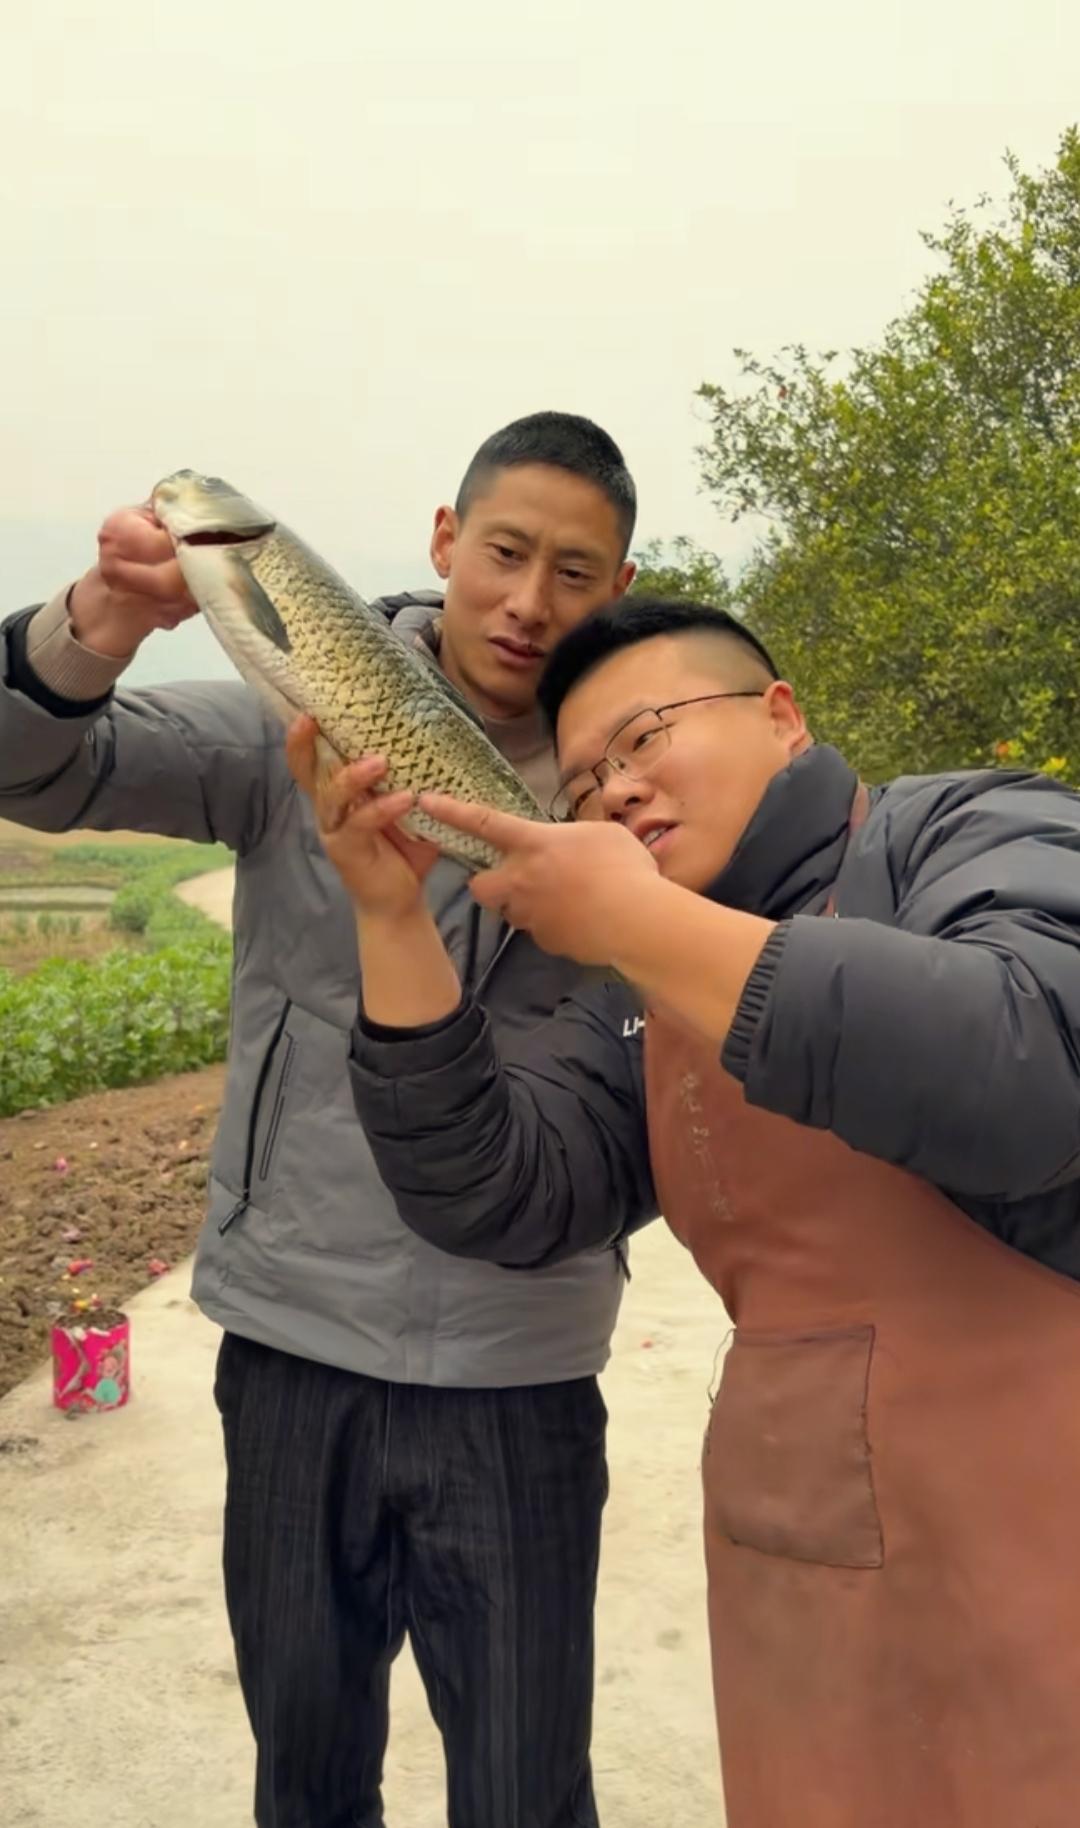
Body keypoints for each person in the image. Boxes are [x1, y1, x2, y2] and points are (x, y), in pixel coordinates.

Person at [313, 595, 1080, 1828]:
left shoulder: (961, 828)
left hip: (1043, 1550)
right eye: (581, 785)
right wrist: (390, 915)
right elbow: (497, 1188)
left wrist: (639, 920)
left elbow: (1036, 1062)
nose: (613, 790)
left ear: (782, 717)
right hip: (803, 1581)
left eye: (645, 735)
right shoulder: (639, 997)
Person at [0, 415, 658, 1828]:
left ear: (619, 589)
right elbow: (37, 769)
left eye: (573, 574)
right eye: (505, 553)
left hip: (524, 1368)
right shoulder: (285, 710)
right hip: (297, 1348)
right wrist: (96, 621)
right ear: (445, 541)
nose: (528, 602)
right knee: (306, 1778)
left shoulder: (632, 789)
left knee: (528, 1793)